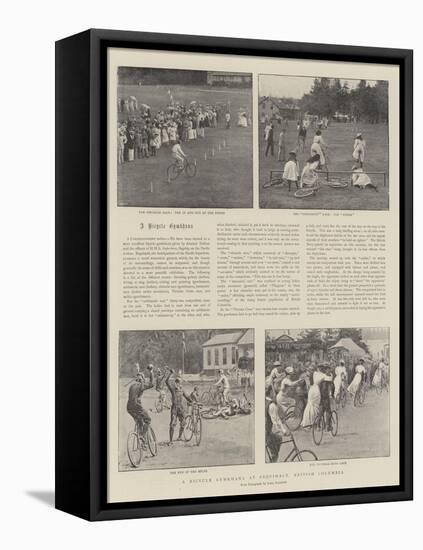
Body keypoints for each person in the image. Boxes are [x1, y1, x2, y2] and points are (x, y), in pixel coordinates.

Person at [126, 364, 155, 440]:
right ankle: (142, 435)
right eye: (144, 378)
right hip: (137, 406)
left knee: (140, 421)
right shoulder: (141, 385)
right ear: (142, 379)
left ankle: (141, 443)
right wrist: (151, 372)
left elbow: (133, 397)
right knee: (148, 420)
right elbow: (152, 384)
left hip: (129, 408)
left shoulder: (131, 386)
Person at [165, 368, 192, 445]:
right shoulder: (173, 389)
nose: (178, 384)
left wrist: (192, 401)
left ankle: (179, 437)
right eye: (177, 382)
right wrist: (170, 374)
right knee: (172, 424)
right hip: (174, 408)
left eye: (179, 382)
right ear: (175, 383)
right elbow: (166, 382)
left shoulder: (182, 389)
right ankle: (170, 441)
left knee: (183, 423)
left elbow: (187, 396)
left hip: (181, 408)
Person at [320, 365, 335, 431]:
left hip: (321, 395)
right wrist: (332, 394)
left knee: (322, 410)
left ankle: (319, 425)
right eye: (327, 369)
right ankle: (327, 426)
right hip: (325, 396)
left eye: (329, 369)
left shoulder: (322, 376)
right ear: (325, 370)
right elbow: (332, 387)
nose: (329, 370)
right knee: (328, 411)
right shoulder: (329, 378)